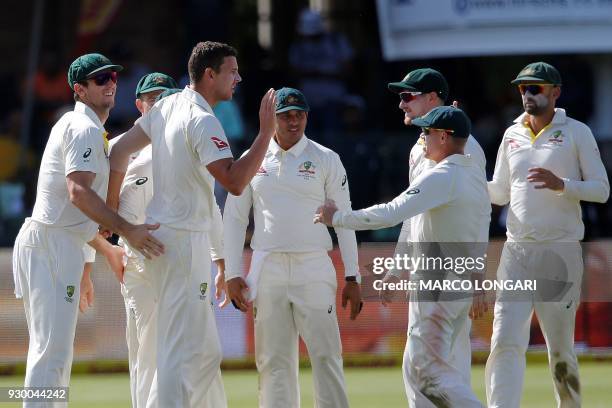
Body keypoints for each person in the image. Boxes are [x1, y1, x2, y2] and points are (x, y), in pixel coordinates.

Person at [108, 41, 276, 408]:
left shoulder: (166, 106)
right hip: (183, 242)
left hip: (176, 238)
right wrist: (266, 134)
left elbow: (118, 151)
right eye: (232, 71)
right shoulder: (201, 119)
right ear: (209, 74)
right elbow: (233, 181)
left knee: (202, 352)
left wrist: (113, 217)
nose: (238, 78)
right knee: (180, 351)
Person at [11, 53, 163, 404]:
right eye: (100, 79)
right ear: (79, 89)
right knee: (51, 353)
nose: (110, 83)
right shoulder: (82, 127)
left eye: (112, 76)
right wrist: (128, 230)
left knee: (55, 353)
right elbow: (77, 193)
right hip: (51, 245)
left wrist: (98, 255)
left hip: (59, 243)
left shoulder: (92, 129)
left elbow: (74, 213)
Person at [315, 106, 490, 407]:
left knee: (429, 373)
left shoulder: (442, 175)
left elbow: (392, 212)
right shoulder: (471, 175)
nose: (422, 140)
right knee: (414, 367)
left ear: (445, 137)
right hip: (455, 282)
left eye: (427, 133)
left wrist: (339, 217)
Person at [223, 87, 362, 408]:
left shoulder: (326, 159)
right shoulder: (251, 159)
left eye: (299, 114)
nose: (293, 121)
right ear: (271, 119)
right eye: (285, 115)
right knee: (273, 360)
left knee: (326, 355)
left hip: (313, 264)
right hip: (266, 265)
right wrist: (232, 272)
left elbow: (344, 219)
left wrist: (353, 277)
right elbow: (233, 219)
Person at [485, 62, 610, 408]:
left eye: (535, 88)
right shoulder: (511, 134)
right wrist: (464, 176)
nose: (527, 94)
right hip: (517, 252)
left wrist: (562, 185)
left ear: (555, 92)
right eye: (523, 88)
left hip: (559, 251)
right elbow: (499, 192)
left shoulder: (576, 132)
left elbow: (601, 190)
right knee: (504, 340)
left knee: (559, 349)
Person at [111, 80, 227, 408]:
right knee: (148, 351)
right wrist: (108, 248)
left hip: (182, 253)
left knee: (199, 345)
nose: (160, 103)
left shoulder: (186, 139)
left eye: (166, 97)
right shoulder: (119, 147)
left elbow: (209, 205)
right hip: (138, 263)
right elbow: (88, 204)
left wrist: (221, 258)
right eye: (152, 98)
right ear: (139, 106)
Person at [381, 68, 487, 401]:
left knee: (442, 368)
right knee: (418, 369)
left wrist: (477, 275)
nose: (402, 104)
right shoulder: (419, 148)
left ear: (432, 98)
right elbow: (414, 213)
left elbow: (478, 214)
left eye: (407, 96)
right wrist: (399, 266)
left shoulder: (468, 147)